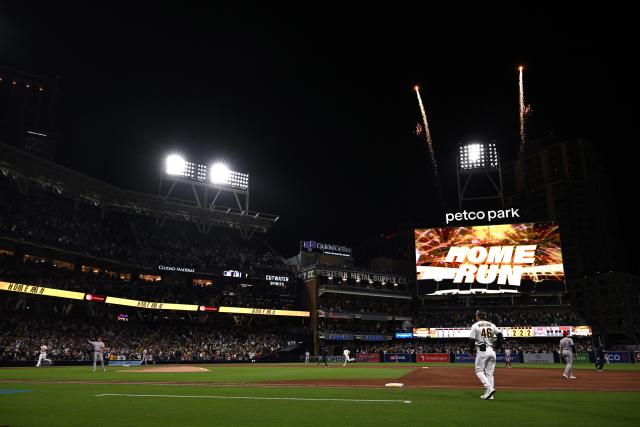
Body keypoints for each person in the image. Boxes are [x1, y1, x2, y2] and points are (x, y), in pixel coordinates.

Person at [469, 309, 503, 400]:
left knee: (479, 371)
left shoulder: (475, 325)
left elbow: (471, 340)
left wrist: (471, 351)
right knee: (490, 374)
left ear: (477, 316)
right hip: (492, 350)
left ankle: (489, 388)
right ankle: (489, 395)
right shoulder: (492, 324)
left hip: (482, 350)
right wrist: (498, 346)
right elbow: (500, 335)